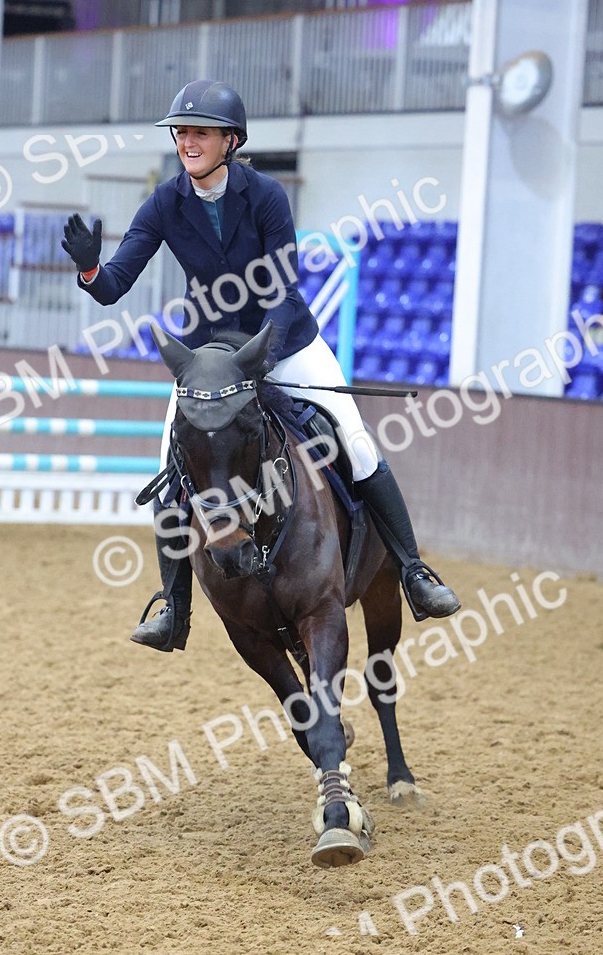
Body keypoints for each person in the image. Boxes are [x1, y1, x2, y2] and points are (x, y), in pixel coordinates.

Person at [61, 79, 460, 652]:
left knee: (356, 438)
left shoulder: (267, 195)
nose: (188, 142)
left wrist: (260, 360)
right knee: (171, 464)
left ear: (231, 141)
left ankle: (415, 573)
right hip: (210, 359)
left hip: (285, 340)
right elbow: (115, 285)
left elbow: (281, 286)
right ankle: (174, 608)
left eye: (200, 132)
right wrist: (91, 269)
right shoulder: (164, 203)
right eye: (182, 133)